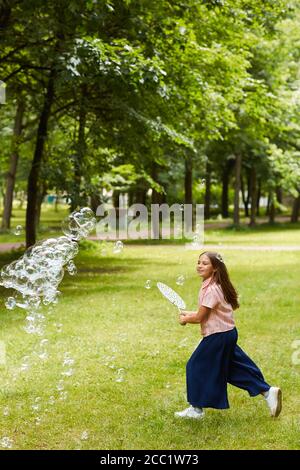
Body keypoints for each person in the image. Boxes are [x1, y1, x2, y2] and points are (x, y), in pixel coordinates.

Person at [175, 251, 282, 420]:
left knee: (194, 366)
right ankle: (268, 392)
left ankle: (196, 409)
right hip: (227, 334)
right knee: (233, 370)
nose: (200, 265)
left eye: (205, 263)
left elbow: (200, 317)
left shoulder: (212, 290)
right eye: (198, 262)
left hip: (217, 337)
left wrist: (185, 320)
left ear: (215, 268)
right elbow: (207, 312)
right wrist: (188, 313)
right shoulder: (215, 285)